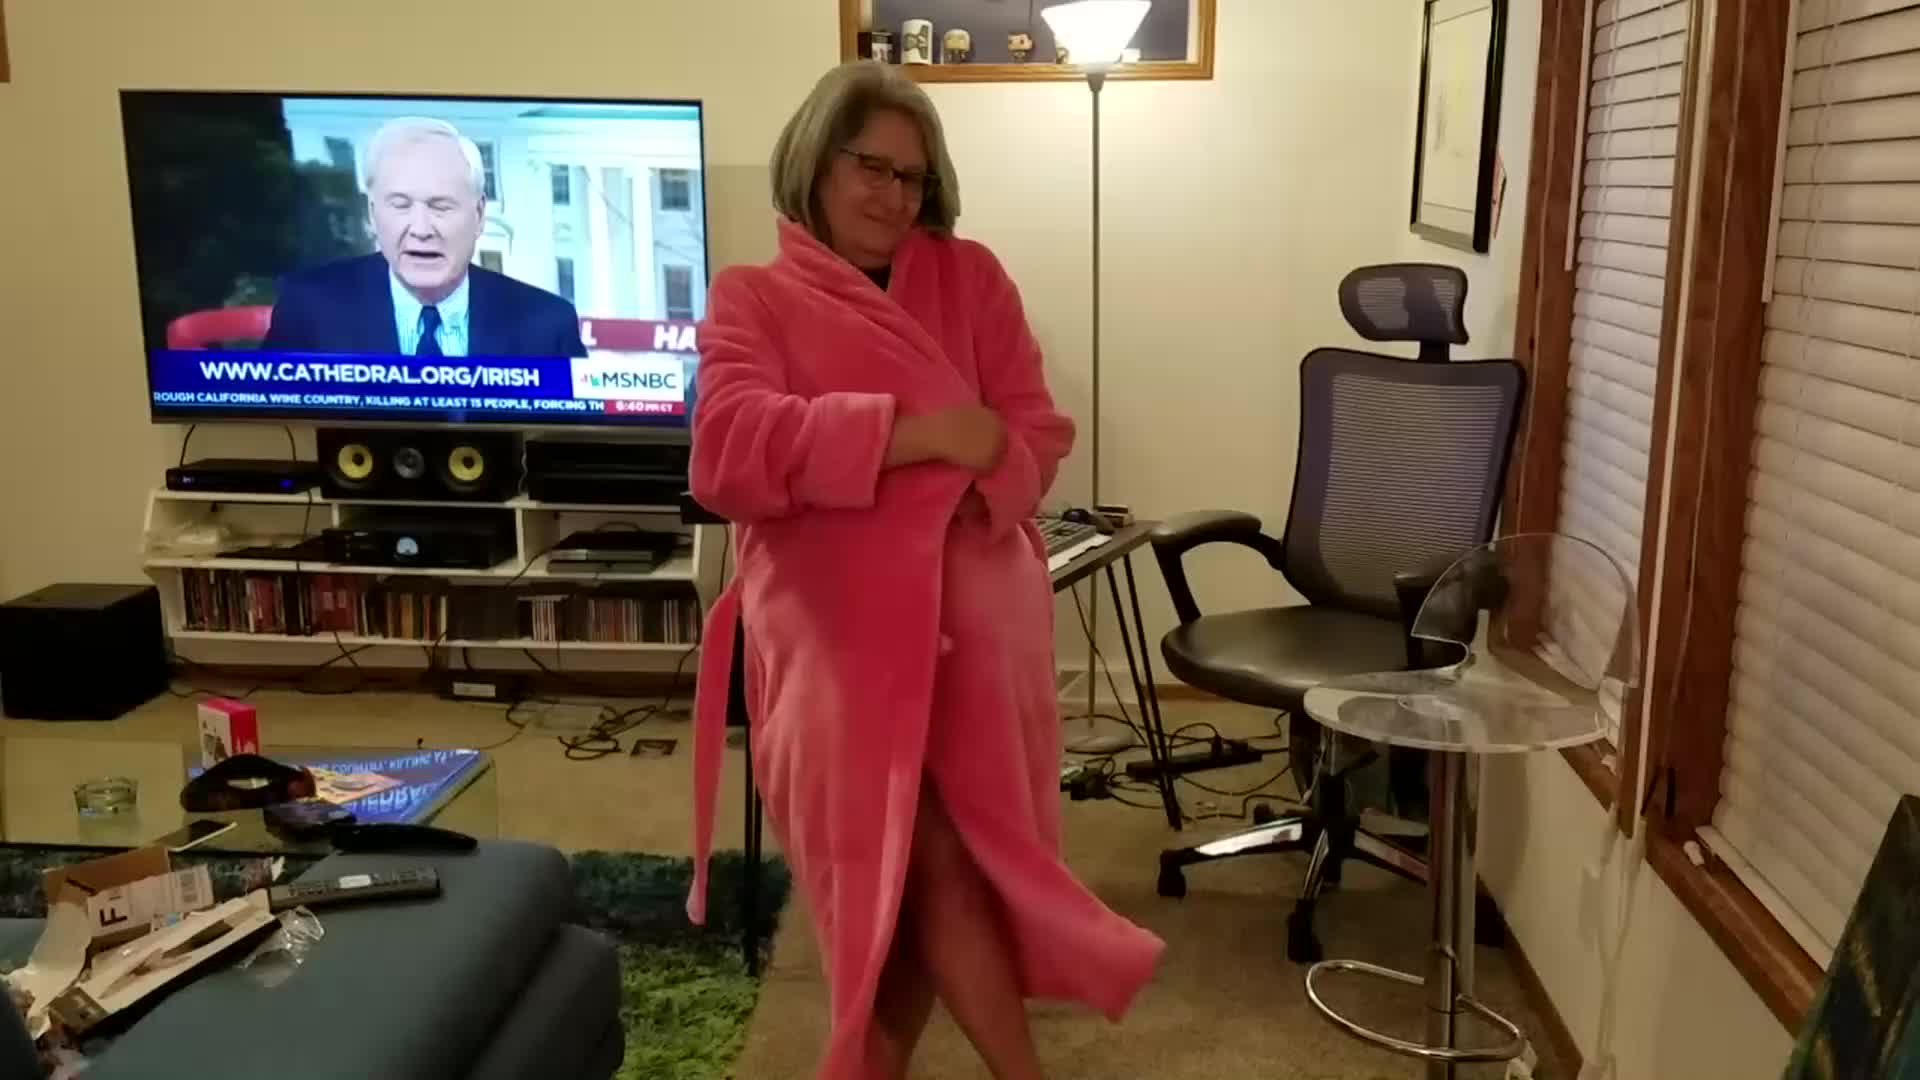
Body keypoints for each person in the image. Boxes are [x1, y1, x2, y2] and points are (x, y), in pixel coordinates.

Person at [683, 62, 1165, 1080]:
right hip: (837, 634)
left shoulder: (971, 278)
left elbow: (1033, 431)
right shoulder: (753, 298)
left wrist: (975, 475)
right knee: (906, 866)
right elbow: (726, 453)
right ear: (817, 161)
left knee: (932, 876)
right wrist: (921, 438)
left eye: (913, 176)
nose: (894, 195)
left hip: (977, 626)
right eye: (873, 167)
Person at [262, 116, 586, 358]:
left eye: (440, 206)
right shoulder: (307, 309)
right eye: (400, 205)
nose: (421, 229)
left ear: (479, 214)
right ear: (373, 214)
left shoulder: (548, 326)